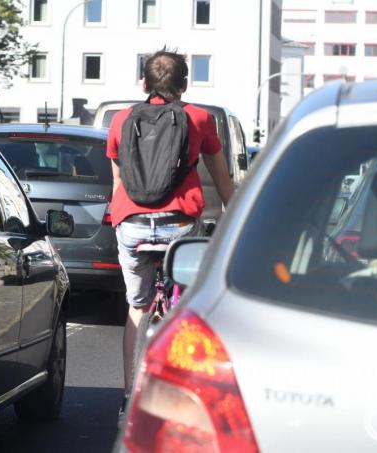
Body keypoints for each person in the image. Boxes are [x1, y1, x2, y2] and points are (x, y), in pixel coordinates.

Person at [106, 48, 235, 409]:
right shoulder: (199, 119)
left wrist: (122, 219)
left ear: (144, 83)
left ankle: (129, 396)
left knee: (137, 307)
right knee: (189, 307)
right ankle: (183, 392)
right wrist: (234, 218)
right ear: (185, 84)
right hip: (179, 225)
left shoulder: (120, 120)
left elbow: (117, 182)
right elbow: (221, 178)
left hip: (131, 226)